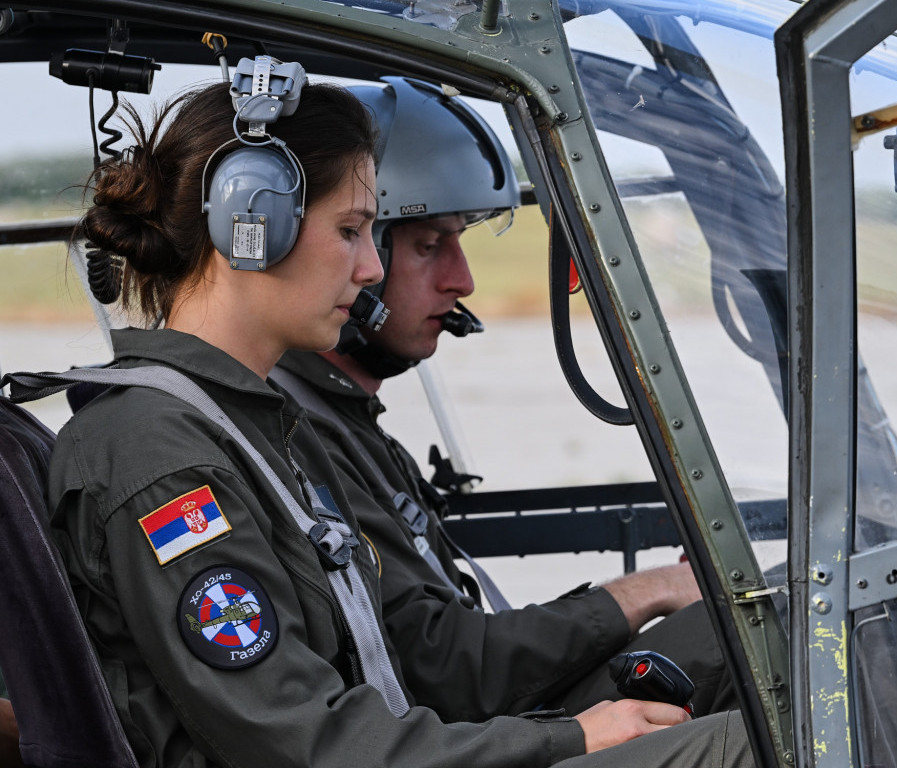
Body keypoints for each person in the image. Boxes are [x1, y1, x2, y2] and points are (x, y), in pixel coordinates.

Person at [11, 60, 750, 767]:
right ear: (249, 223)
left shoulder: (256, 429)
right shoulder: (159, 456)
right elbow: (310, 748)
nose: (369, 268)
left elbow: (394, 674)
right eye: (349, 230)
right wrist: (567, 740)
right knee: (753, 745)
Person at [271, 77, 738, 722]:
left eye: (460, 242)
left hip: (479, 728)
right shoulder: (299, 438)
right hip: (465, 738)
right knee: (736, 644)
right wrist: (651, 590)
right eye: (429, 246)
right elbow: (445, 671)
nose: (462, 280)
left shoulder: (347, 424)